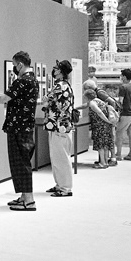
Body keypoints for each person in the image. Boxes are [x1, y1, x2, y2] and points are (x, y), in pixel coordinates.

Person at [0, 51, 39, 211]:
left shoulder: (22, 81)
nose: (14, 68)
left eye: (15, 65)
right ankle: (24, 196)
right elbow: (11, 96)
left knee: (20, 162)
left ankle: (29, 200)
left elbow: (4, 99)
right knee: (22, 161)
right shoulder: (32, 80)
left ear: (20, 64)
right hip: (24, 126)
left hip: (18, 128)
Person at [41, 60, 75, 196]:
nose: (53, 71)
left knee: (60, 158)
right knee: (57, 157)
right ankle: (60, 184)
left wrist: (46, 100)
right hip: (59, 126)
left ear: (60, 71)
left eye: (55, 68)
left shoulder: (59, 86)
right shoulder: (66, 85)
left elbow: (46, 100)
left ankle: (65, 187)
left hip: (59, 126)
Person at [83, 79, 115, 168]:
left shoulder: (93, 104)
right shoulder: (98, 100)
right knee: (105, 144)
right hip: (105, 126)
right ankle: (105, 161)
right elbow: (85, 105)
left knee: (100, 145)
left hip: (99, 126)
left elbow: (100, 113)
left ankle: (102, 163)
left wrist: (107, 120)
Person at [116, 68, 131, 161]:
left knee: (119, 133)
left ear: (124, 77)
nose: (121, 77)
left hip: (126, 113)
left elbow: (121, 101)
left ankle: (118, 154)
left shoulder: (123, 87)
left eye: (121, 76)